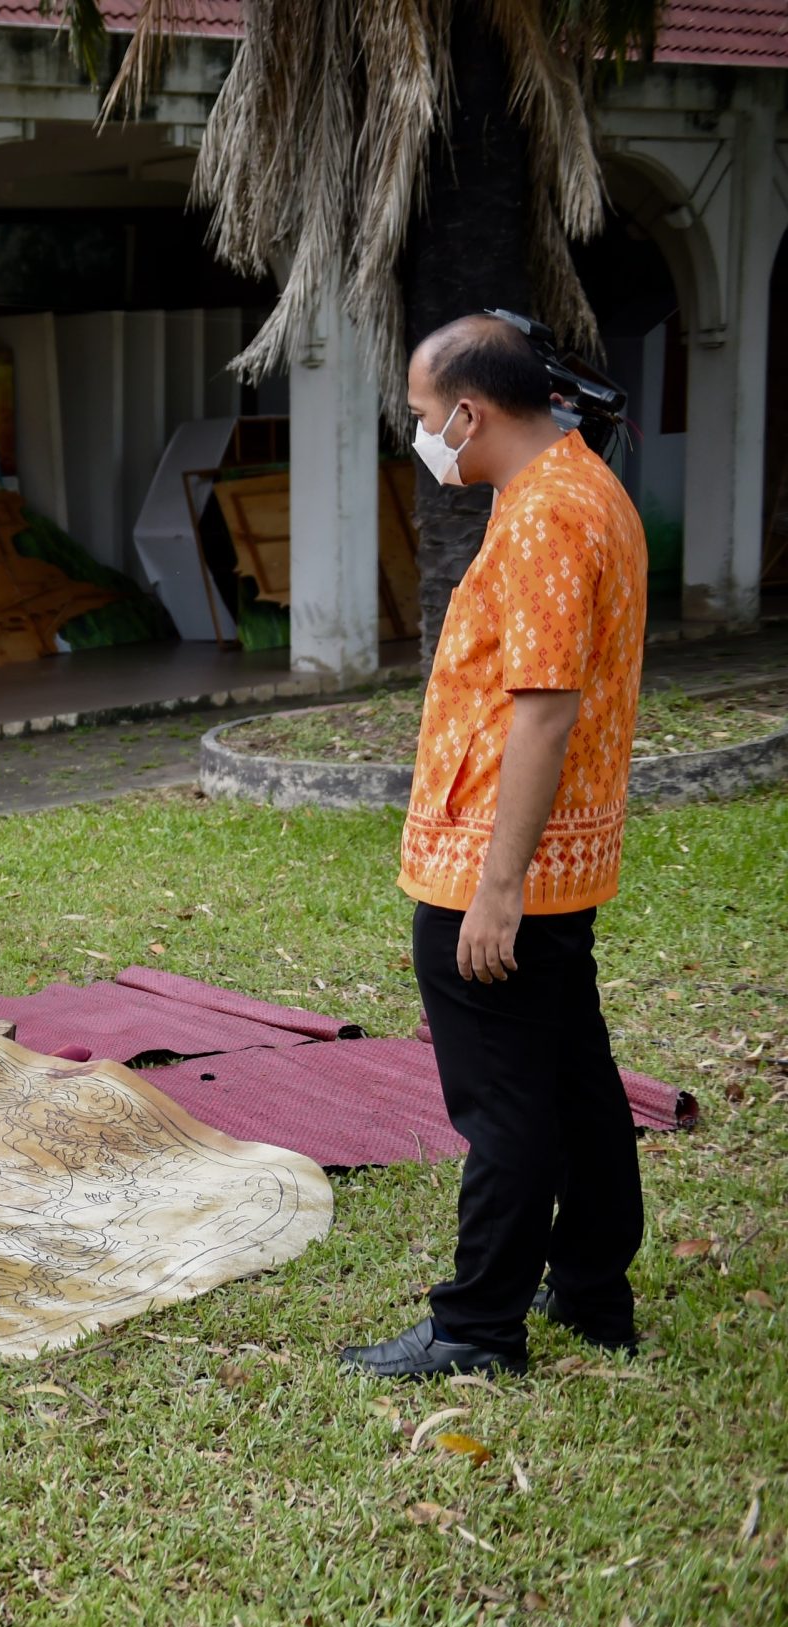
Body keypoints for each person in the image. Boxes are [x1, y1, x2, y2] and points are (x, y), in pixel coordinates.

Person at [342, 312, 649, 1381]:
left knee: (504, 1104)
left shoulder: (548, 514)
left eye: (423, 415)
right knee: (573, 1079)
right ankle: (592, 1292)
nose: (421, 434)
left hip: (499, 863)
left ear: (468, 413)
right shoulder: (578, 486)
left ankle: (476, 1327)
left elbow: (544, 710)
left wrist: (497, 887)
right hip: (558, 858)